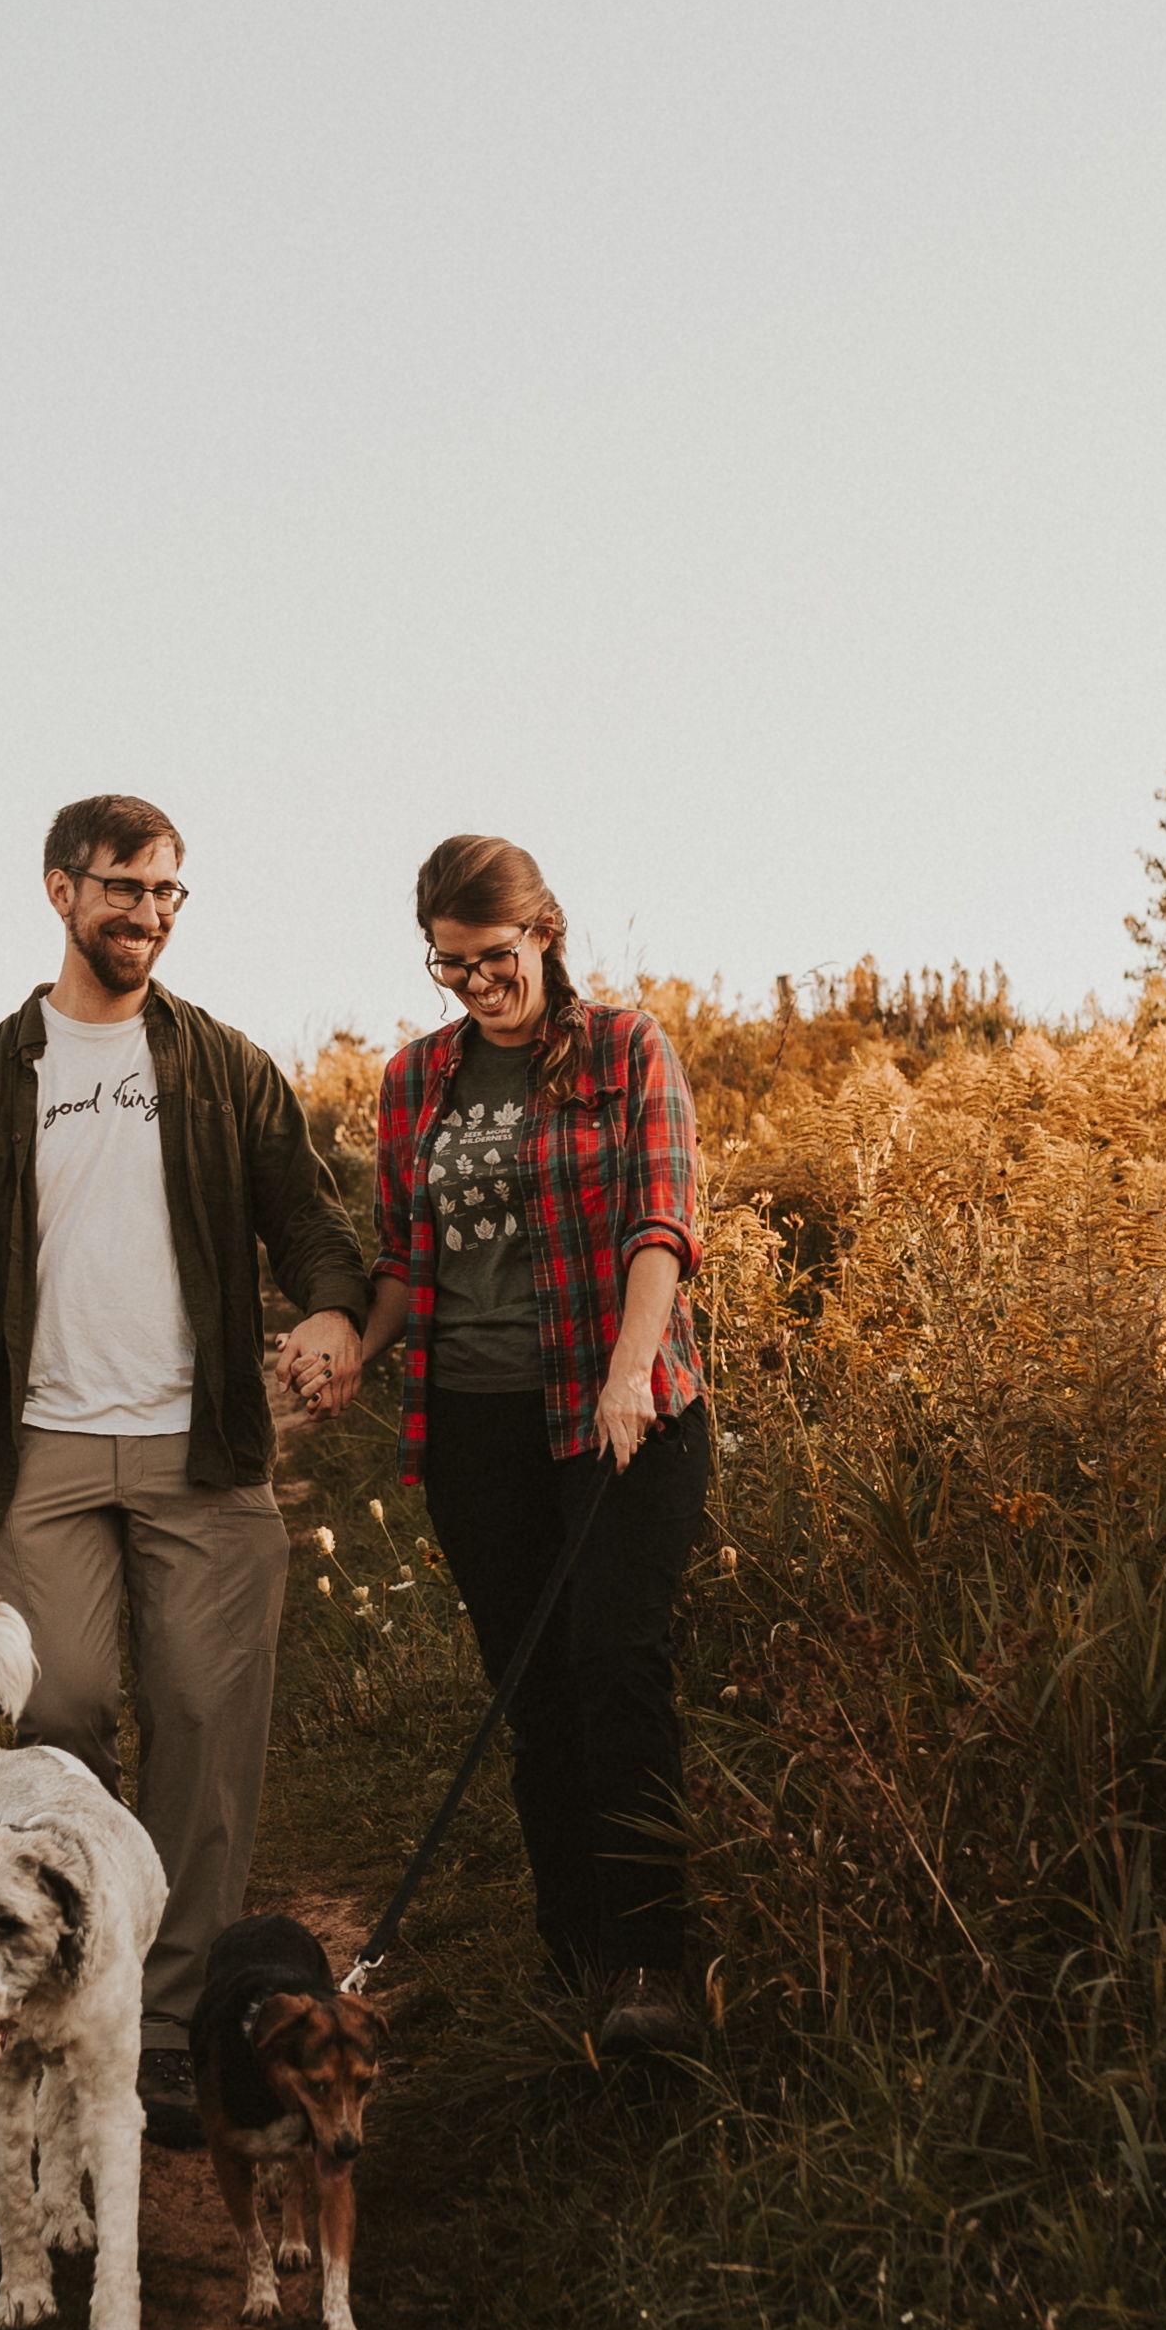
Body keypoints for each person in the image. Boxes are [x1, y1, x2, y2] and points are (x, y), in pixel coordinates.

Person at [0, 793, 370, 2155]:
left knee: (204, 1727)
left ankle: (166, 2027)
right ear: (60, 890)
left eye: (167, 891)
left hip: (202, 1446)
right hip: (37, 1449)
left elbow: (308, 1216)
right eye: (123, 887)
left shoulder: (223, 1068)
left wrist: (329, 1310)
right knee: (53, 1719)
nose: (147, 913)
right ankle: (58, 1992)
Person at [338, 830, 713, 2055]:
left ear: (543, 933)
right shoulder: (414, 1079)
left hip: (619, 1411)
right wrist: (350, 1348)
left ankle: (655, 1960)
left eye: (491, 955)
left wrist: (627, 1371)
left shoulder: (624, 1047)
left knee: (616, 1667)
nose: (474, 983)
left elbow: (660, 1222)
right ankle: (574, 1955)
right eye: (447, 964)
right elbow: (403, 1258)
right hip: (476, 1424)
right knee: (532, 1691)